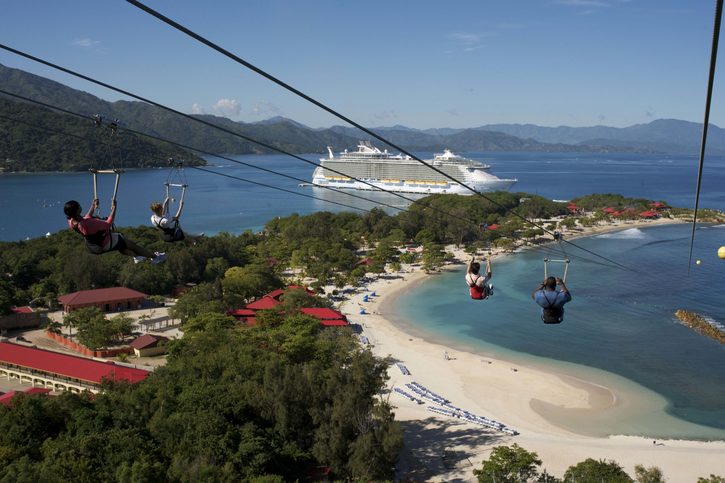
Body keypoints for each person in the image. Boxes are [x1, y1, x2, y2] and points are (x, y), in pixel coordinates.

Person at [64, 199, 165, 264]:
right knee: (130, 244)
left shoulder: (72, 221)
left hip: (93, 247)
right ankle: (154, 257)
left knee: (121, 247)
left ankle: (136, 256)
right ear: (77, 210)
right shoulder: (88, 223)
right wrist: (114, 208)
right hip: (104, 243)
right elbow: (108, 223)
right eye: (79, 206)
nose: (81, 206)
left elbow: (86, 217)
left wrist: (93, 206)